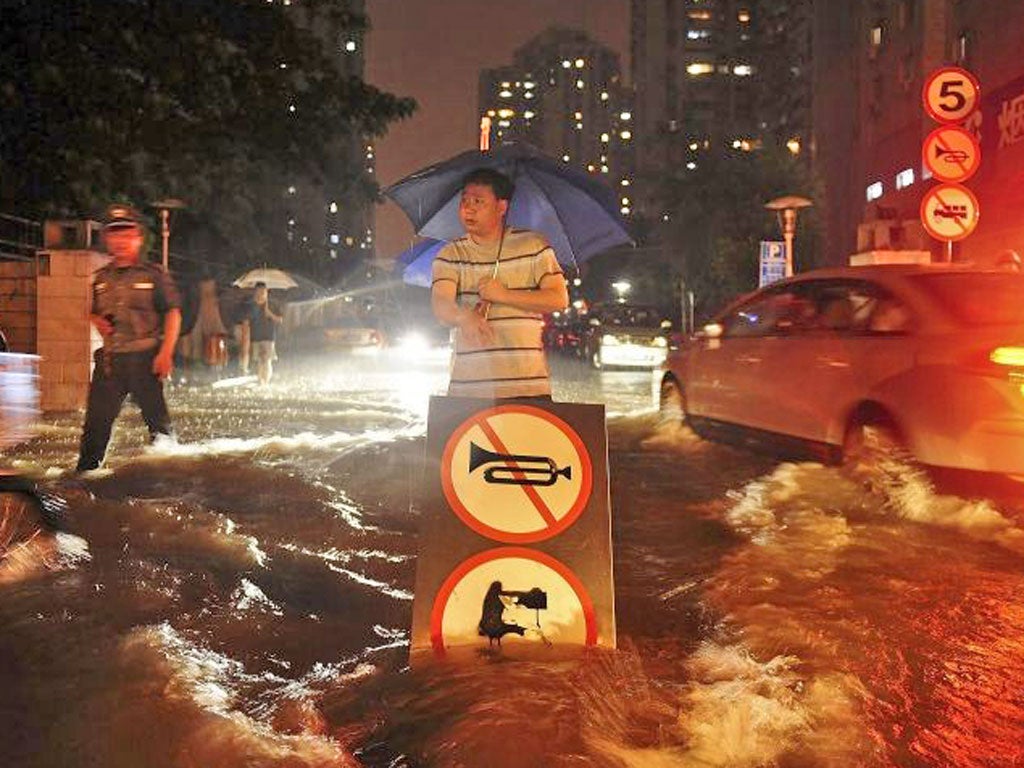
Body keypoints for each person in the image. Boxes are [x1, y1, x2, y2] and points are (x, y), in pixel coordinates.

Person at [431, 168, 569, 399]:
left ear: (501, 207)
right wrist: (464, 316)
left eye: (478, 201)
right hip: (470, 388)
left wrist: (504, 295)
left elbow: (558, 298)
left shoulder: (534, 246)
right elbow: (441, 305)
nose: (468, 208)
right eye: (464, 201)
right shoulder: (450, 253)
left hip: (526, 386)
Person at [76, 205, 182, 472]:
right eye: (115, 234)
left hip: (145, 360)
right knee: (95, 428)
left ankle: (171, 477)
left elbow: (173, 313)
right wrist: (96, 320)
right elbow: (93, 313)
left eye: (127, 234)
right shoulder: (100, 278)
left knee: (159, 427)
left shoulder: (154, 275)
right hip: (110, 362)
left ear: (138, 237)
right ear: (108, 239)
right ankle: (83, 481)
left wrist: (165, 353)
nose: (120, 240)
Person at [244, 282, 283, 385]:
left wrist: (270, 314)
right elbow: (247, 320)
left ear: (267, 293)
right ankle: (261, 380)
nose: (260, 295)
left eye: (263, 293)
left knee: (266, 359)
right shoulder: (252, 306)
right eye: (258, 293)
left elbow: (280, 320)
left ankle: (265, 381)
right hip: (256, 336)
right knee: (260, 360)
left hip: (268, 336)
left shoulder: (272, 304)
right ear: (254, 293)